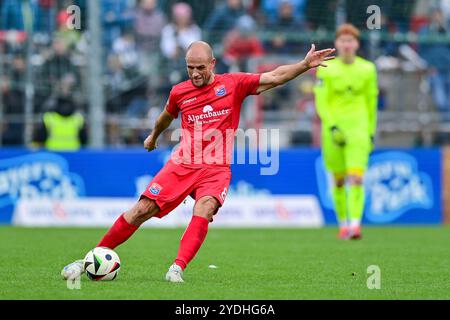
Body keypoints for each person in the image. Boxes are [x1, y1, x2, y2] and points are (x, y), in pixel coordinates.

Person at [61, 40, 335, 282]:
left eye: (201, 68)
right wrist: (153, 136)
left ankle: (176, 268)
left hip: (215, 169)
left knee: (204, 209)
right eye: (190, 67)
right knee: (141, 210)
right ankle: (89, 259)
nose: (195, 73)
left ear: (212, 64)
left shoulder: (233, 84)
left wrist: (304, 65)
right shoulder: (179, 92)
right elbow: (166, 117)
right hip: (183, 163)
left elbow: (274, 77)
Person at [314, 24, 378, 240]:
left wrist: (370, 131)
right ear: (336, 44)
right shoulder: (326, 68)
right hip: (333, 130)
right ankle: (343, 224)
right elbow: (321, 102)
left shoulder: (368, 69)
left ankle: (355, 225)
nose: (347, 44)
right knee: (339, 180)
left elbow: (371, 102)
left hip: (358, 129)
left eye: (351, 40)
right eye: (343, 40)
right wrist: (332, 125)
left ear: (357, 44)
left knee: (356, 178)